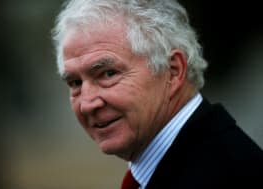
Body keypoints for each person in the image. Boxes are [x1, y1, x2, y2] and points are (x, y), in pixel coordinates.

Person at [52, 0, 263, 188]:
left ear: (173, 72)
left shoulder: (227, 174)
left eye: (108, 74)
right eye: (75, 82)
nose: (87, 103)